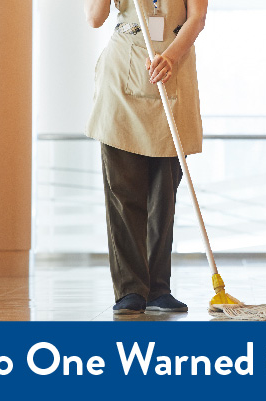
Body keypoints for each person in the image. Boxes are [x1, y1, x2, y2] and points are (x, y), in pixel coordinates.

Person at [84, 0, 207, 314]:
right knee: (124, 193)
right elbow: (95, 18)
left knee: (162, 194)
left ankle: (157, 288)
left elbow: (197, 17)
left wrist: (170, 56)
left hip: (172, 70)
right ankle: (130, 289)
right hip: (122, 77)